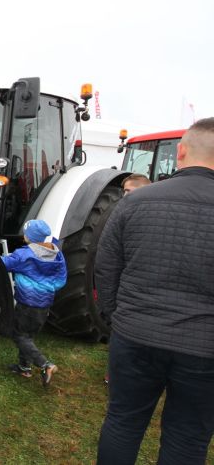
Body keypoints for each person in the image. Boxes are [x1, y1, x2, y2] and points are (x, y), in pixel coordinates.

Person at [95, 118, 214, 465]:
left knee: (123, 422)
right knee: (188, 437)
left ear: (180, 152)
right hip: (205, 348)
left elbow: (106, 266)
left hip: (135, 335)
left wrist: (118, 317)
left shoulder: (135, 202)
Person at [3, 219, 67, 386]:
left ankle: (46, 365)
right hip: (45, 305)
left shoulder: (24, 255)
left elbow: (4, 264)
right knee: (28, 336)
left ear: (30, 237)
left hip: (27, 304)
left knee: (18, 335)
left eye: (26, 233)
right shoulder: (57, 254)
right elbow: (61, 281)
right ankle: (24, 368)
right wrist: (46, 287)